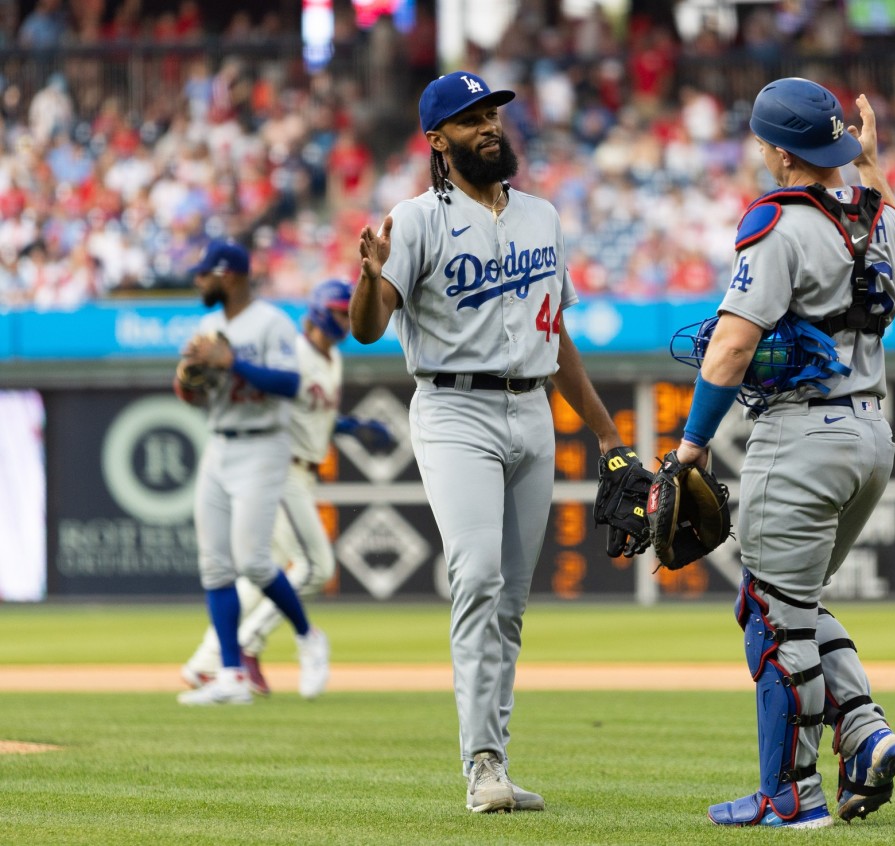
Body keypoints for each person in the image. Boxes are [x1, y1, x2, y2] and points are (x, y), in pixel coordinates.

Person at [350, 70, 634, 814]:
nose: (489, 127)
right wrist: (368, 277)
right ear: (437, 139)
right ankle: (479, 764)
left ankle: (497, 757)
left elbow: (557, 332)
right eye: (471, 118)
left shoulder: (541, 216)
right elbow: (369, 325)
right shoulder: (415, 220)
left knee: (510, 599)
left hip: (532, 407)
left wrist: (607, 433)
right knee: (475, 576)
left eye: (493, 114)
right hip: (453, 410)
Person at [671, 79, 895, 828]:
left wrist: (690, 446)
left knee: (770, 614)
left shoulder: (774, 223)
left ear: (779, 151)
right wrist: (871, 166)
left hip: (803, 435)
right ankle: (865, 732)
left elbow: (732, 345)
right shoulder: (877, 213)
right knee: (795, 599)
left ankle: (791, 793)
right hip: (873, 437)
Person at [180, 279, 394, 698]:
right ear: (317, 311)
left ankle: (205, 662)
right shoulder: (293, 351)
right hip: (277, 467)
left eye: (345, 311)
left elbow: (314, 413)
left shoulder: (331, 358)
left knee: (259, 572)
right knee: (316, 567)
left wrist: (353, 427)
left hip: (299, 469)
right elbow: (272, 393)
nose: (343, 320)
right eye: (336, 311)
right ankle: (245, 645)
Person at [173, 238, 331, 706]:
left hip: (264, 444)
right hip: (220, 442)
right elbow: (197, 392)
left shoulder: (271, 323)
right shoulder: (208, 324)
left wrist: (232, 361)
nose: (200, 280)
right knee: (215, 565)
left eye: (207, 273)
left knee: (254, 560)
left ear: (230, 275)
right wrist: (187, 378)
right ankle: (231, 674)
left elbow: (288, 383)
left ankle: (307, 635)